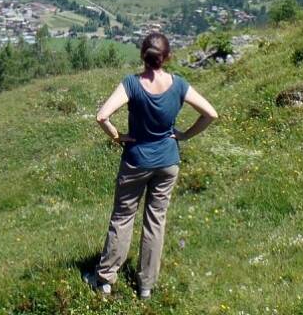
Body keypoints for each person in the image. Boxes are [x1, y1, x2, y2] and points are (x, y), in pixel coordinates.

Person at [86, 32, 218, 299]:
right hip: (168, 161)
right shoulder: (179, 85)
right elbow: (210, 113)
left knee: (123, 218)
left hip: (136, 160)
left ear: (142, 56)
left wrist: (117, 136)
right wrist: (184, 135)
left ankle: (105, 279)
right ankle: (146, 286)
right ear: (167, 57)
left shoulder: (131, 84)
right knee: (155, 221)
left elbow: (102, 116)